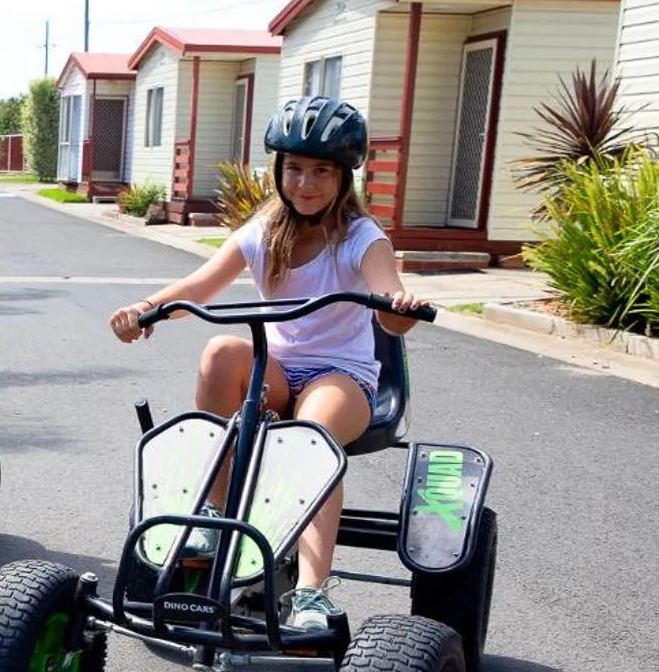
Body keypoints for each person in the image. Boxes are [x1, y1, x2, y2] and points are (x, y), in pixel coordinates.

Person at [107, 96, 427, 630]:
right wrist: (146, 311)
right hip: (276, 372)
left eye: (321, 171)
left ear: (344, 176)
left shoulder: (361, 238)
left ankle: (310, 592)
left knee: (312, 431)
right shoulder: (265, 231)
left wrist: (399, 312)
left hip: (341, 378)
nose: (306, 184)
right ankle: (217, 511)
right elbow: (199, 286)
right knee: (220, 352)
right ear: (278, 170)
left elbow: (389, 299)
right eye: (295, 169)